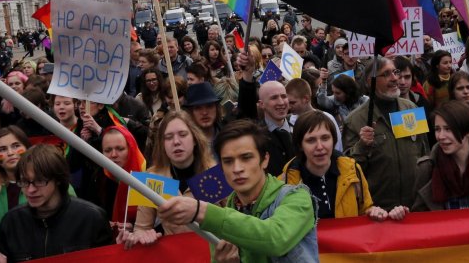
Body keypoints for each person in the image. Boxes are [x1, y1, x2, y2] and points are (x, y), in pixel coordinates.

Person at [155, 120, 318, 263]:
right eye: (228, 161)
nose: (237, 168)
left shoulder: (296, 197)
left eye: (246, 158)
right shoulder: (223, 214)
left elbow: (275, 238)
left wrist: (201, 210)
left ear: (265, 159)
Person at [0, 145, 112, 262]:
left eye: (39, 181)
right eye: (24, 182)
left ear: (57, 179)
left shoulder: (91, 218)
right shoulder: (11, 222)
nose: (30, 190)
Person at [342, 57, 430, 210]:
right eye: (387, 74)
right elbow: (350, 171)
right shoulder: (355, 120)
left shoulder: (411, 108)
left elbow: (424, 152)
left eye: (395, 72)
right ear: (371, 81)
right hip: (379, 211)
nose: (395, 78)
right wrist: (362, 146)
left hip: (416, 206)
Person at [121, 111, 218, 246]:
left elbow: (233, 221)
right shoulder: (151, 178)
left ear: (195, 139)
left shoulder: (216, 173)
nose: (176, 142)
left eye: (183, 135)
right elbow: (141, 228)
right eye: (168, 137)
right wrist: (143, 235)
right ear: (163, 144)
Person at [282, 110, 396, 221]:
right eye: (311, 140)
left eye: (325, 138)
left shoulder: (353, 170)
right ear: (300, 145)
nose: (320, 146)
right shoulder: (286, 180)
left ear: (334, 140)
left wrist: (373, 212)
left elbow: (365, 209)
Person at [82, 125, 146, 228]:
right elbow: (90, 214)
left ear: (131, 149)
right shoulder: (98, 177)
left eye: (120, 149)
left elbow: (160, 221)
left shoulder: (149, 174)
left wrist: (135, 227)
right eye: (107, 150)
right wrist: (105, 224)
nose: (113, 155)